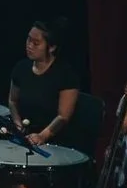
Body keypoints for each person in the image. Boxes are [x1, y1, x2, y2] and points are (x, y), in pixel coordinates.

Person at [8, 18, 83, 147]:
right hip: (25, 137)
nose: (29, 45)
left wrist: (42, 136)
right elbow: (12, 101)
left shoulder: (66, 75)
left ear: (51, 47)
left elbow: (63, 117)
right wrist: (18, 125)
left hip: (54, 142)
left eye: (36, 43)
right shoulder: (21, 68)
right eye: (28, 39)